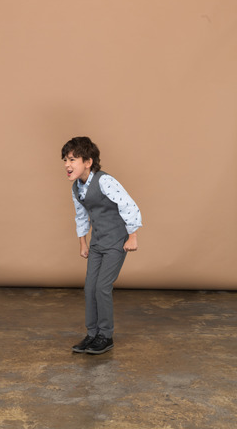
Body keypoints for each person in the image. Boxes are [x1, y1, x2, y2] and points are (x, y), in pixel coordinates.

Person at [61, 136, 142, 354]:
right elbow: (81, 216)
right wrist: (83, 243)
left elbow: (128, 205)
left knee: (102, 288)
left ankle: (105, 336)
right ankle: (92, 333)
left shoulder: (105, 181)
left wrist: (132, 235)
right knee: (89, 288)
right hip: (97, 243)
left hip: (117, 241)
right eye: (65, 160)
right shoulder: (76, 188)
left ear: (88, 161)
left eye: (72, 159)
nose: (67, 165)